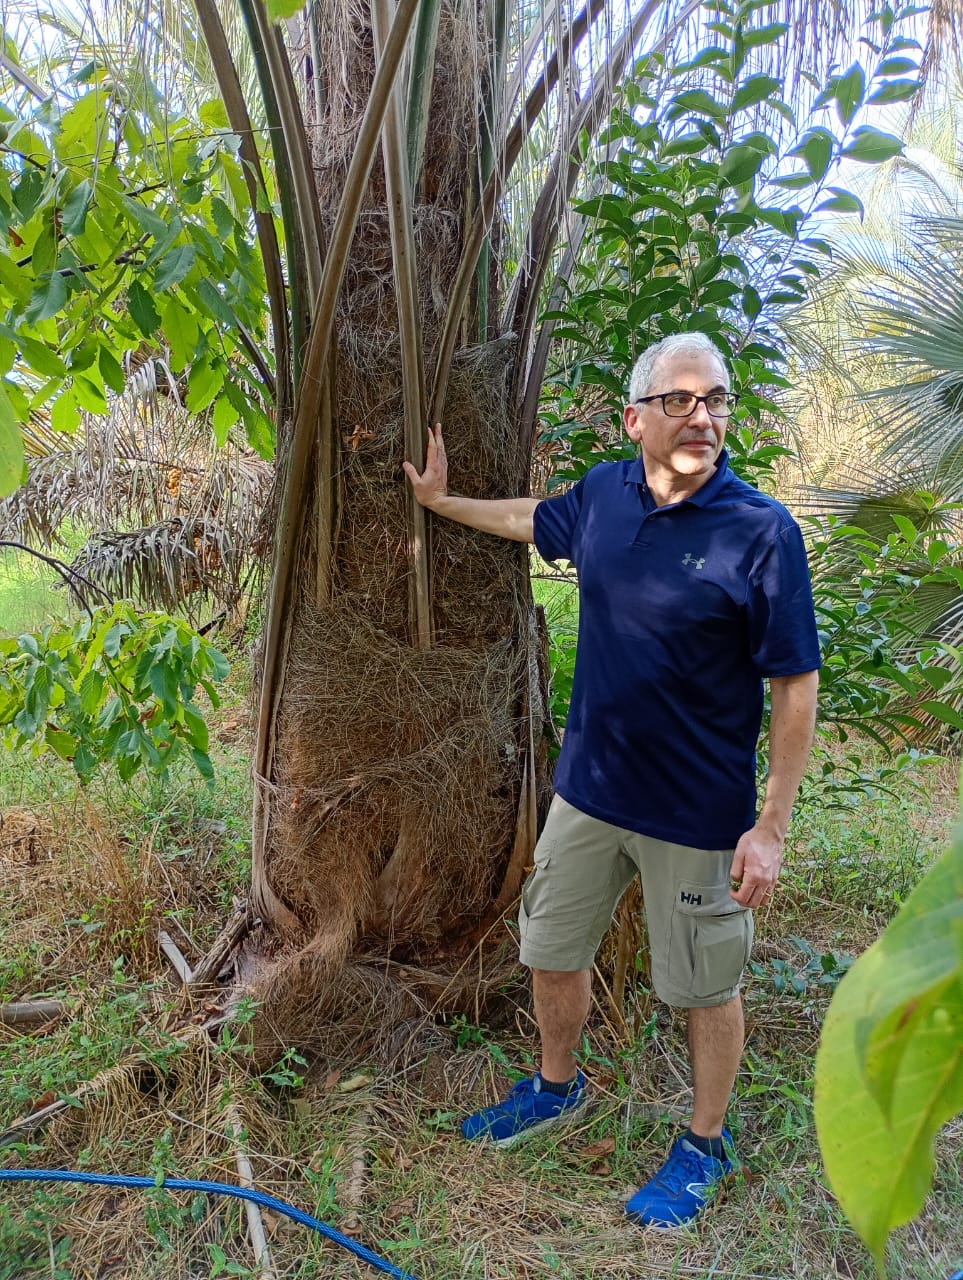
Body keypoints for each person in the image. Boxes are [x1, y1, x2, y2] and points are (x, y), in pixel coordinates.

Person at [403, 332, 820, 1229]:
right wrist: (440, 503)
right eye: (679, 400)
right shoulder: (602, 494)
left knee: (703, 987)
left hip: (697, 814)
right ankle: (557, 1087)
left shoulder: (760, 532)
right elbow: (533, 519)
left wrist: (771, 825)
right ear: (634, 419)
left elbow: (794, 683)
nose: (701, 416)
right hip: (588, 794)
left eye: (714, 400)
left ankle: (704, 1143)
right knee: (550, 948)